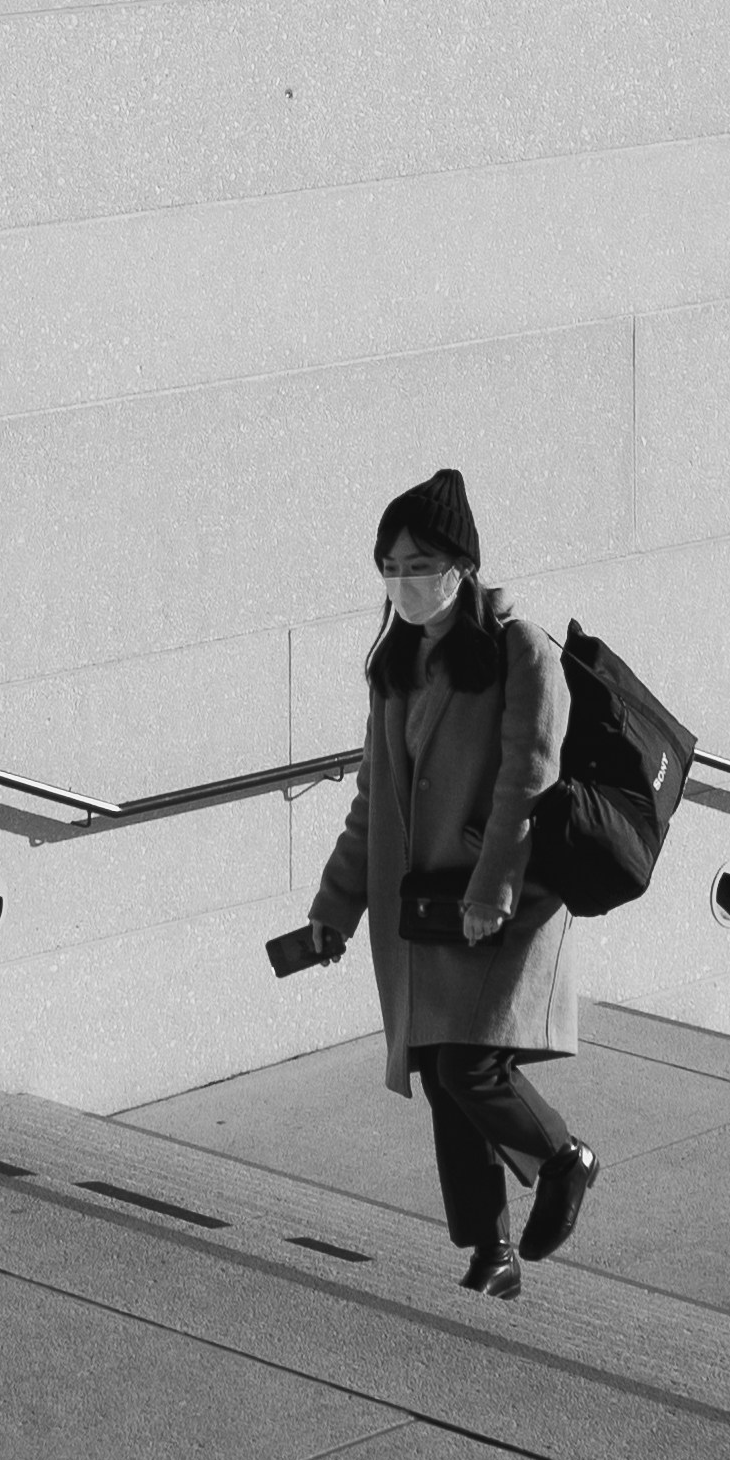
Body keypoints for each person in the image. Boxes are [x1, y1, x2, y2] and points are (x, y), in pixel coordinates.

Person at [288, 468, 596, 1298]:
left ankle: (563, 1159)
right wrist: (334, 909)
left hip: (504, 899)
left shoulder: (520, 650)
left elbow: (528, 779)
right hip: (425, 908)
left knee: (469, 1065)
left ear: (463, 567)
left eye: (420, 565)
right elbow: (372, 801)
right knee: (442, 1075)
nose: (404, 583)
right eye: (390, 567)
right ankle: (489, 1251)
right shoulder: (396, 662)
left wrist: (492, 891)